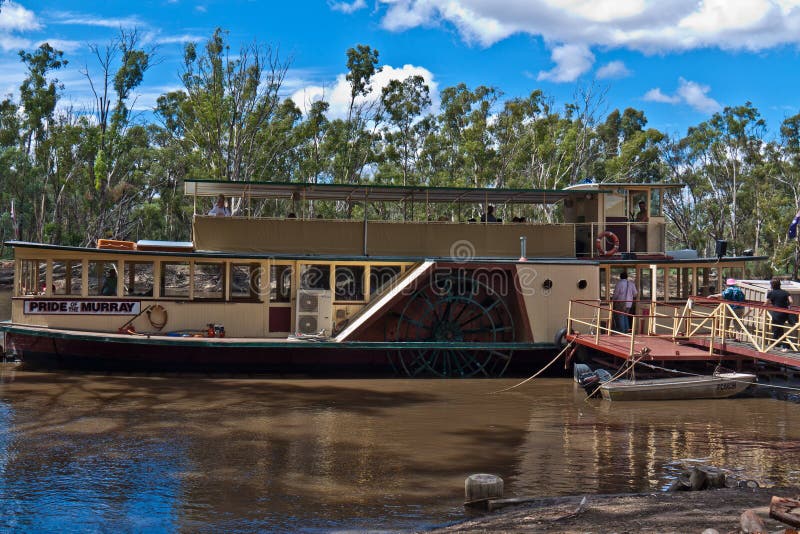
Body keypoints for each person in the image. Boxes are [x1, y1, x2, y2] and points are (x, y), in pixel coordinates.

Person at [766, 278, 795, 352]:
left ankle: (784, 347)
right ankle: (773, 345)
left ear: (772, 285)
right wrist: (788, 306)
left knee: (778, 329)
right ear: (779, 284)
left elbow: (766, 303)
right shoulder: (785, 292)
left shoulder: (771, 293)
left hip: (776, 314)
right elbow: (791, 301)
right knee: (778, 329)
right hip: (784, 313)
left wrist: (760, 311)